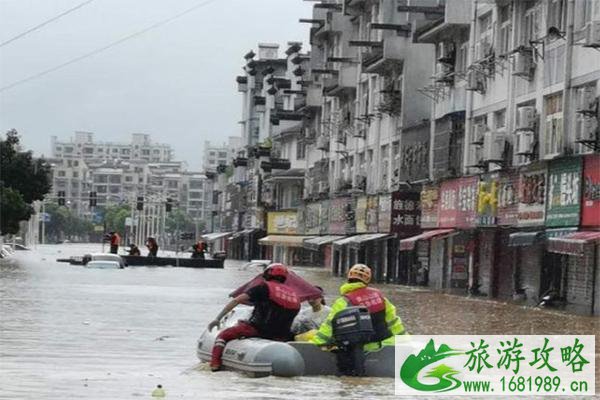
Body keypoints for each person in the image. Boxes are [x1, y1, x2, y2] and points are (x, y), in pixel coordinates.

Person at [207, 263, 301, 371]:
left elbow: (236, 300)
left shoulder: (263, 287)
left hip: (258, 329)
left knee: (223, 335)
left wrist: (217, 319)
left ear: (267, 274)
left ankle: (215, 364)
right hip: (282, 335)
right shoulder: (294, 295)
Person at [312, 264, 406, 351]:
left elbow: (329, 327)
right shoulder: (381, 298)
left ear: (348, 278)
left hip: (356, 352)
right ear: (367, 281)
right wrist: (406, 341)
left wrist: (313, 344)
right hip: (382, 348)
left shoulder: (343, 301)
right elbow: (395, 324)